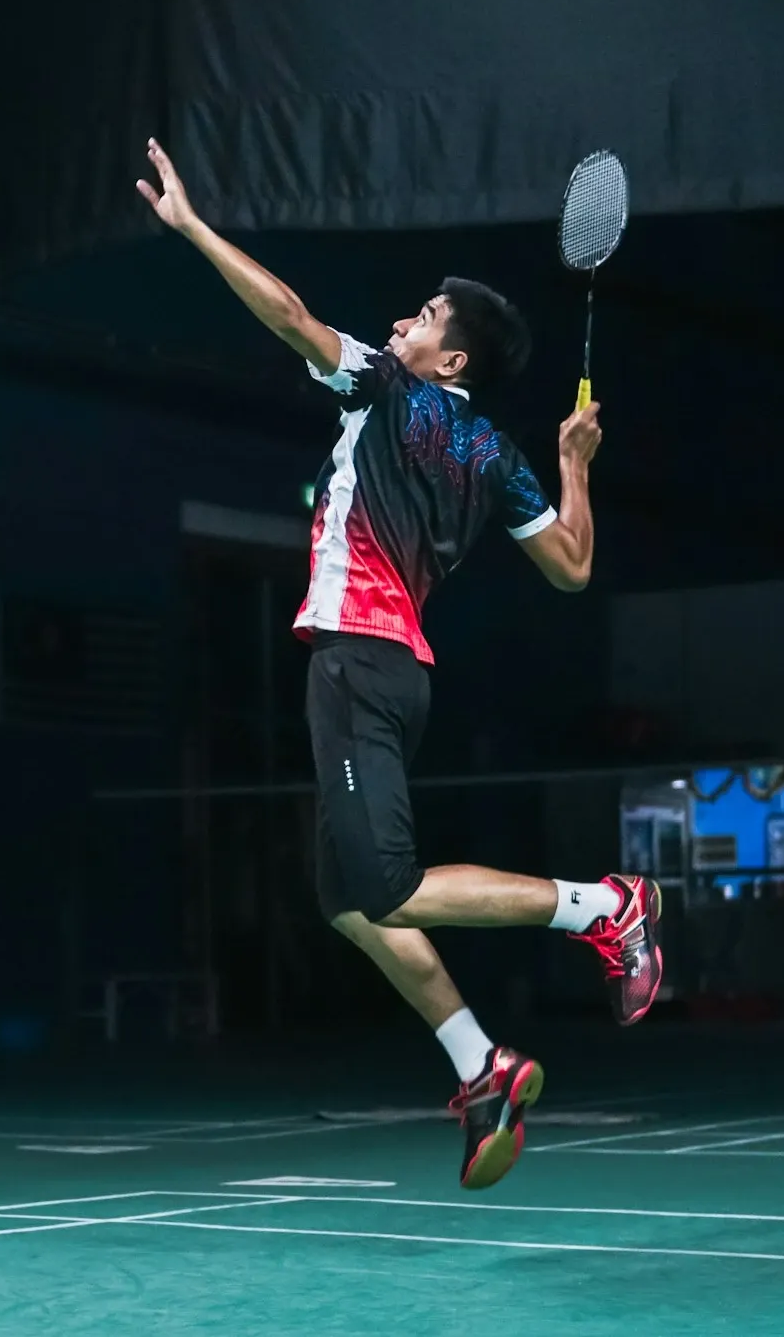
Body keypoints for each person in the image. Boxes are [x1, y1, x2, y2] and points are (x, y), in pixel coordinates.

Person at [138, 139, 663, 1191]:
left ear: (450, 361)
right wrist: (573, 467)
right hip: (395, 672)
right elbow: (570, 565)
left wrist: (195, 231)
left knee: (390, 887)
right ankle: (484, 1068)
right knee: (349, 902)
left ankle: (604, 906)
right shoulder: (493, 456)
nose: (399, 325)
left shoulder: (383, 392)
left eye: (421, 318)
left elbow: (289, 314)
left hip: (357, 662)